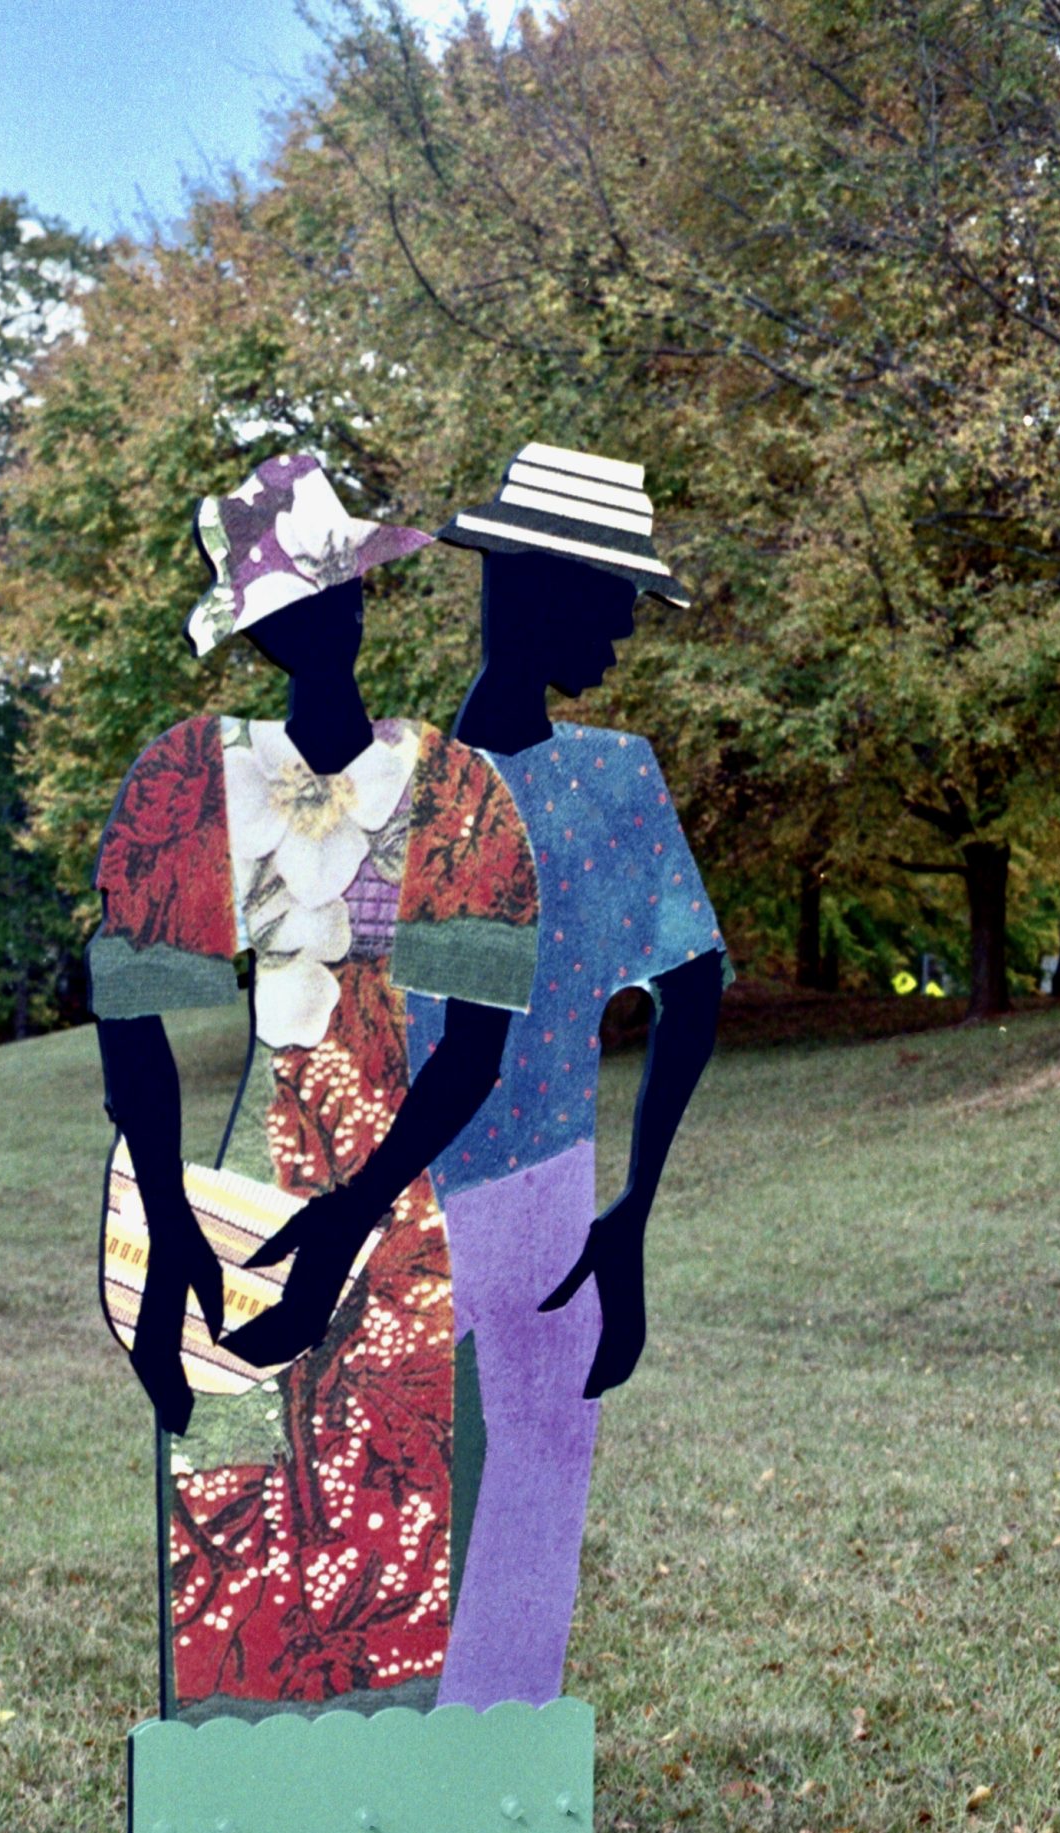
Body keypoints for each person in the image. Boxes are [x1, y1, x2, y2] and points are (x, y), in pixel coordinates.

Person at [90, 453, 540, 1720]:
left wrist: (352, 1215)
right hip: (245, 1201)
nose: (321, 620)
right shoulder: (192, 778)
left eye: (334, 591)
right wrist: (170, 1229)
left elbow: (475, 1048)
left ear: (361, 600)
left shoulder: (451, 786)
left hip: (395, 1199)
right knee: (234, 1510)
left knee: (388, 1522)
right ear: (262, 635)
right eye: (291, 605)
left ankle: (392, 1804)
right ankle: (237, 1805)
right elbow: (132, 1017)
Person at [409, 441, 728, 1709]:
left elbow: (696, 984)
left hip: (542, 1197)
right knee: (384, 1518)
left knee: (533, 1495)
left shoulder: (611, 778)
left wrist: (633, 1209)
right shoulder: (403, 786)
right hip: (402, 1199)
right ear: (528, 588)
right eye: (608, 599)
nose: (624, 631)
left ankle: (493, 1783)